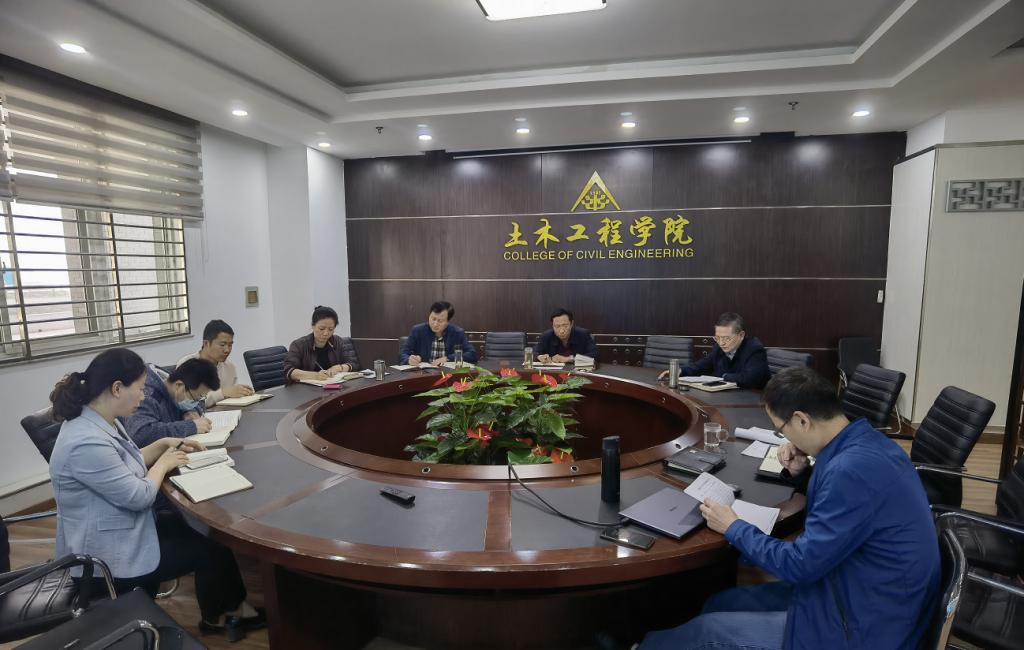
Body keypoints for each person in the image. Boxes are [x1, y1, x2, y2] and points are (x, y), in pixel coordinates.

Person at [639, 367, 940, 650]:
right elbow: (846, 511)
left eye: (781, 429)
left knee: (707, 633)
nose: (785, 438)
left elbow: (799, 565)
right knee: (720, 603)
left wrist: (734, 526)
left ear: (802, 421)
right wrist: (804, 473)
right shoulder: (864, 442)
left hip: (867, 623)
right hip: (856, 586)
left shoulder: (850, 472)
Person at [47, 348, 265, 636]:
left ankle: (224, 611)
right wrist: (163, 463)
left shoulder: (100, 418)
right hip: (106, 556)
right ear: (117, 388)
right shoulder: (84, 441)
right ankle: (224, 616)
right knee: (208, 547)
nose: (143, 396)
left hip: (123, 528)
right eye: (139, 389)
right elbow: (138, 496)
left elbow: (127, 460)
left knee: (208, 532)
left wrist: (163, 444)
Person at [123, 358, 219, 448]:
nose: (196, 402)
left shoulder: (173, 381)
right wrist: (192, 426)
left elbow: (199, 401)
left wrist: (191, 410)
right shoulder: (147, 395)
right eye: (197, 397)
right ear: (178, 385)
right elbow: (140, 435)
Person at [660, 312, 770, 388]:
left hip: (752, 401)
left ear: (741, 335)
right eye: (717, 338)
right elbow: (703, 365)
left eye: (726, 338)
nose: (721, 343)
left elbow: (748, 379)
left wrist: (723, 376)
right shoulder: (719, 347)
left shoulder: (754, 349)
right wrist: (680, 371)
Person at [177, 319, 254, 407]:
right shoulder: (186, 365)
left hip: (226, 413)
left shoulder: (230, 367)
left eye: (230, 345)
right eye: (222, 345)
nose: (227, 350)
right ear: (206, 343)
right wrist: (222, 393)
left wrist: (242, 392)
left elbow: (231, 399)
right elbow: (185, 404)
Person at [284, 305, 360, 383]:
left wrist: (340, 368)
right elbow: (289, 371)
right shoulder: (298, 345)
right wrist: (315, 376)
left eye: (330, 329)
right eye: (321, 329)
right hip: (306, 388)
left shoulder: (337, 341)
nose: (326, 333)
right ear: (313, 326)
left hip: (333, 386)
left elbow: (353, 364)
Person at [400, 301, 478, 366]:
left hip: (448, 375)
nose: (435, 324)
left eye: (440, 321)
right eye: (433, 319)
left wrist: (448, 358)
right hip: (423, 375)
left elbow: (472, 354)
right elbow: (403, 354)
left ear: (448, 322)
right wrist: (409, 359)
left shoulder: (457, 333)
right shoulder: (417, 331)